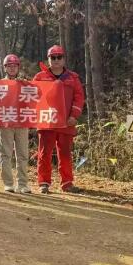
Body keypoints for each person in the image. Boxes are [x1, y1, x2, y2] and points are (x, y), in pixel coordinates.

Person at [34, 45, 85, 194]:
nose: (56, 60)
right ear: (48, 59)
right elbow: (31, 96)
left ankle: (67, 183)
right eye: (53, 57)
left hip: (66, 122)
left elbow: (79, 97)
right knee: (44, 153)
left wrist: (73, 116)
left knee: (65, 153)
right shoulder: (39, 77)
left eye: (59, 57)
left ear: (64, 59)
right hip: (47, 122)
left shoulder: (73, 78)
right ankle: (44, 182)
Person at [0, 54, 31, 194]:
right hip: (5, 123)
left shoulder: (24, 83)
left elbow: (37, 97)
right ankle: (8, 183)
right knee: (5, 154)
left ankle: (23, 184)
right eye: (9, 66)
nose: (12, 68)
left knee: (23, 154)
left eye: (14, 66)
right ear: (5, 68)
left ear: (18, 67)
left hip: (22, 122)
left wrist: (26, 85)